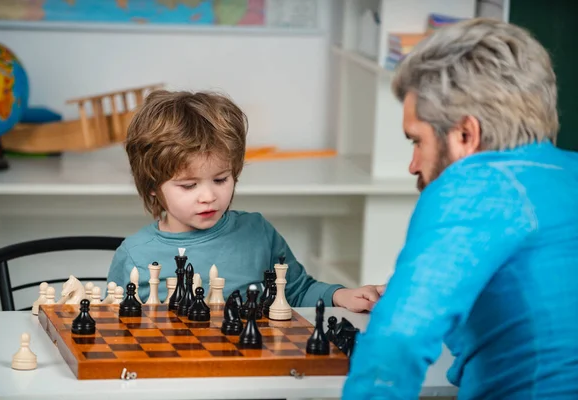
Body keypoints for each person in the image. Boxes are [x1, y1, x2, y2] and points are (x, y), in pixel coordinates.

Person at [343, 18, 578, 399]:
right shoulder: (569, 172)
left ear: (465, 135)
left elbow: (398, 341)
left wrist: (406, 306)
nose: (413, 164)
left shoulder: (474, 185)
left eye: (416, 142)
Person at [107, 90, 383, 311]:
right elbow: (114, 323)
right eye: (189, 185)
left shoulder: (257, 233)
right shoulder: (135, 255)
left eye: (221, 179)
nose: (209, 196)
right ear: (152, 186)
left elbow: (296, 291)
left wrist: (341, 295)